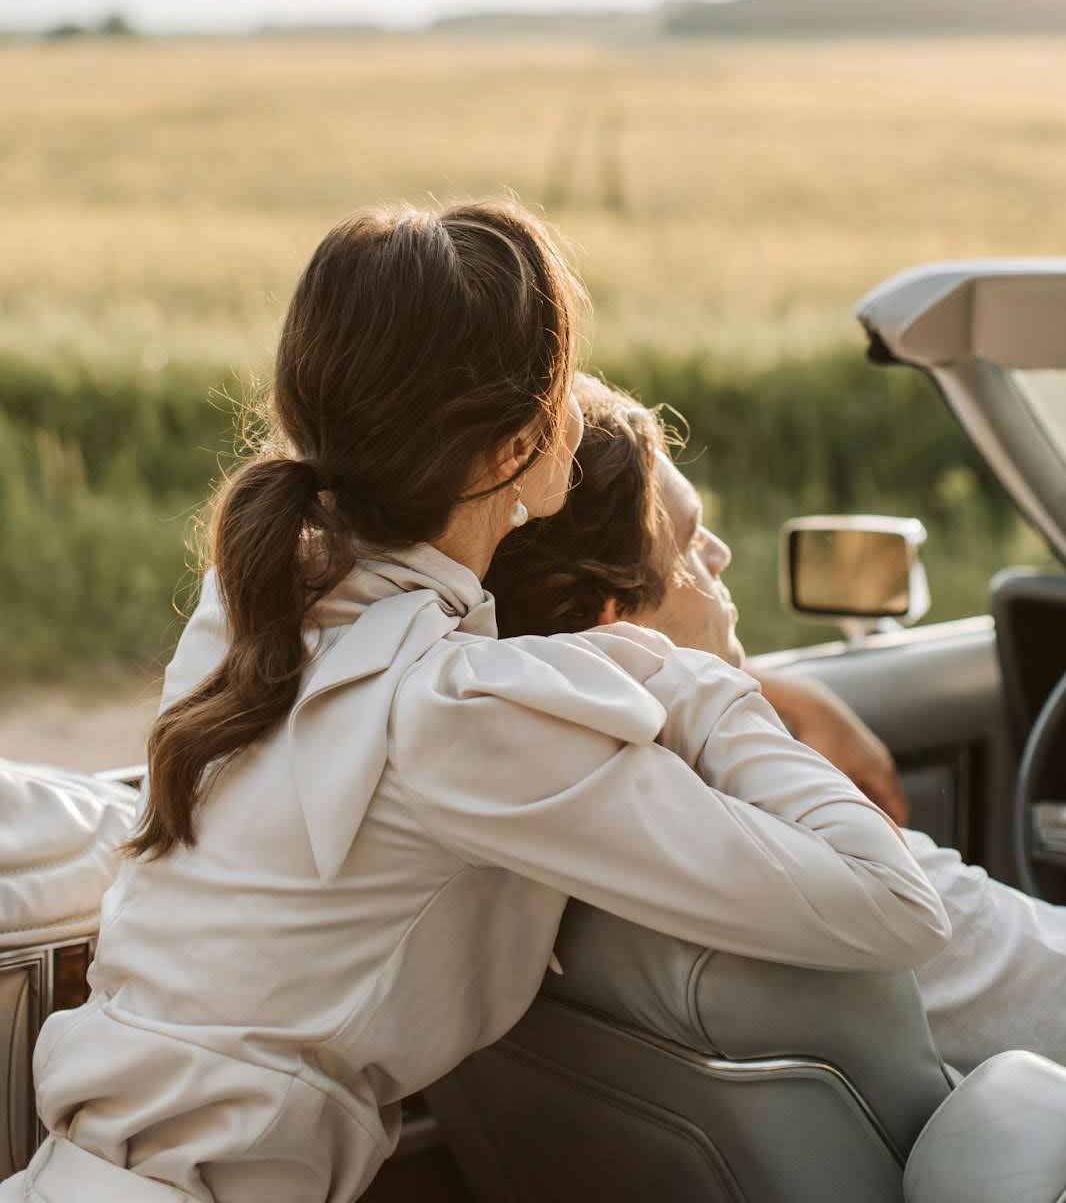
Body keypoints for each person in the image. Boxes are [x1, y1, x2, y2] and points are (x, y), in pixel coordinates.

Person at [1, 203, 949, 1203]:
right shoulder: (461, 716)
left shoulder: (249, 616)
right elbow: (892, 905)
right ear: (514, 449)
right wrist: (697, 678)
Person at [486, 372, 1066, 1074]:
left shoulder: (529, 812)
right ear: (618, 618)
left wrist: (771, 689)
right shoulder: (830, 864)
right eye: (694, 537)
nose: (721, 555)